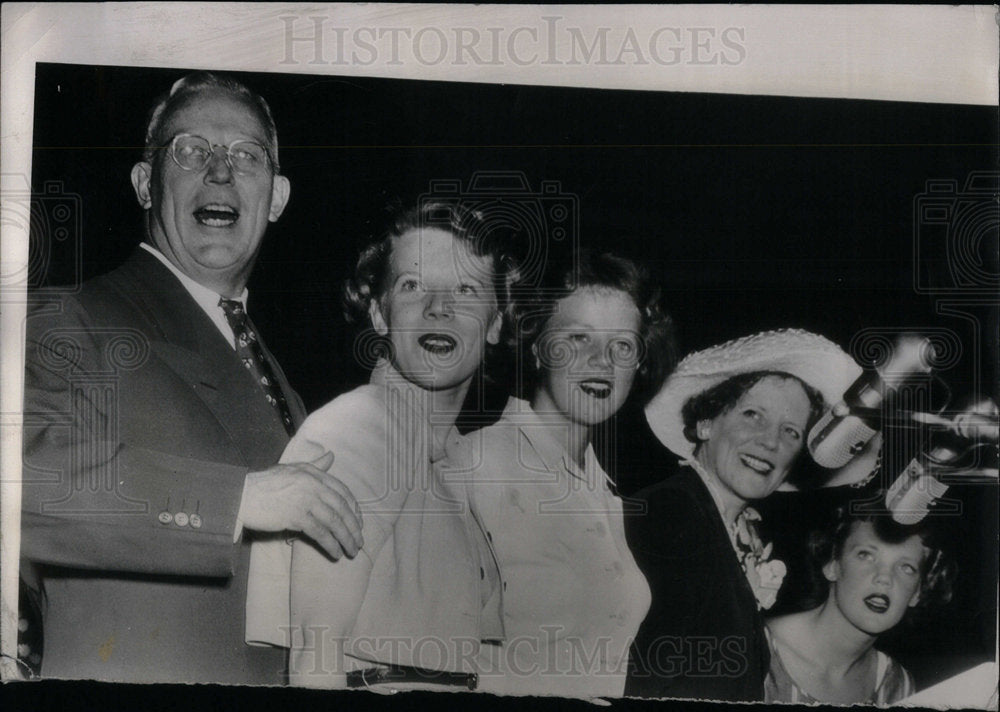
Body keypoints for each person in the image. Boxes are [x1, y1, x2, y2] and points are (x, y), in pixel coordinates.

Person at [19, 72, 363, 684]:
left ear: (277, 198)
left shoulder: (280, 379)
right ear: (146, 183)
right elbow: (21, 480)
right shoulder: (67, 315)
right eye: (191, 150)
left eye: (245, 155)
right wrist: (239, 500)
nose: (221, 172)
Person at [246, 201, 518, 690]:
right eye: (412, 285)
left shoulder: (451, 457)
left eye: (466, 289)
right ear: (379, 313)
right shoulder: (363, 427)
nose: (439, 307)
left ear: (496, 322)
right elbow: (316, 655)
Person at [463, 251, 676, 698]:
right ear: (537, 346)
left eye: (622, 345)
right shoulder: (476, 466)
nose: (602, 362)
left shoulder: (605, 494)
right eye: (578, 338)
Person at [625, 329, 878, 700]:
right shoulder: (671, 514)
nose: (771, 441)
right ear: (705, 423)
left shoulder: (721, 525)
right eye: (753, 415)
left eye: (791, 431)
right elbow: (640, 682)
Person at [763, 505, 955, 705]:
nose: (884, 578)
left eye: (906, 567)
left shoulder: (897, 686)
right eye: (866, 555)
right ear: (832, 565)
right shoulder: (755, 650)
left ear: (917, 593)